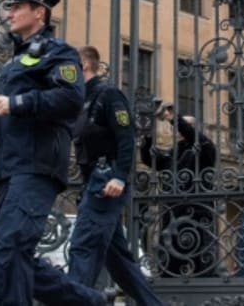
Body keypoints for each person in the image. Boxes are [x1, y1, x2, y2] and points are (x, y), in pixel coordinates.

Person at [0, 0, 113, 306]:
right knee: (10, 253)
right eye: (9, 7)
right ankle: (90, 301)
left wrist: (18, 103)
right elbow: (11, 115)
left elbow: (70, 98)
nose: (9, 13)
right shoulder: (14, 62)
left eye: (16, 7)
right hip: (11, 165)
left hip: (38, 163)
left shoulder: (58, 52)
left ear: (39, 13)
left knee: (11, 249)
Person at [67, 46, 164, 306]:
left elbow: (126, 137)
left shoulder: (108, 95)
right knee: (119, 262)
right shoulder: (80, 100)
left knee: (84, 246)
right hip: (93, 182)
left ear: (83, 66)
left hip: (106, 181)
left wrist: (120, 176)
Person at [139, 106, 218, 278]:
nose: (177, 129)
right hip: (172, 215)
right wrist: (148, 137)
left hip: (197, 214)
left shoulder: (206, 148)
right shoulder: (173, 153)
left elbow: (194, 137)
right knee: (169, 266)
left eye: (183, 125)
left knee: (202, 267)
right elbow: (150, 159)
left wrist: (174, 118)